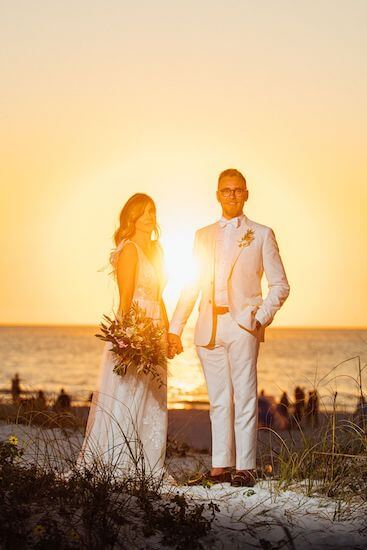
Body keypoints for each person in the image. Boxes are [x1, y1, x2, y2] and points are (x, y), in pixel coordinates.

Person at [168, 168, 290, 487]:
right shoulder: (202, 235)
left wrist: (258, 318)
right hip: (208, 325)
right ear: (217, 194)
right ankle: (221, 466)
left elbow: (280, 285)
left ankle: (246, 467)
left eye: (237, 190)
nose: (232, 195)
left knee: (245, 396)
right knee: (219, 399)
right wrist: (175, 328)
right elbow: (190, 286)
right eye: (226, 190)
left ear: (246, 194)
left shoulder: (262, 234)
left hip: (242, 326)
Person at [77, 194, 169, 480]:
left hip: (155, 329)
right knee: (128, 394)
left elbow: (160, 297)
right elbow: (126, 300)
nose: (149, 217)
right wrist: (127, 338)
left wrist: (168, 333)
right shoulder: (128, 250)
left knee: (154, 396)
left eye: (152, 211)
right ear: (132, 217)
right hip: (136, 328)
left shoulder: (157, 250)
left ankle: (148, 465)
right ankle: (117, 462)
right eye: (143, 212)